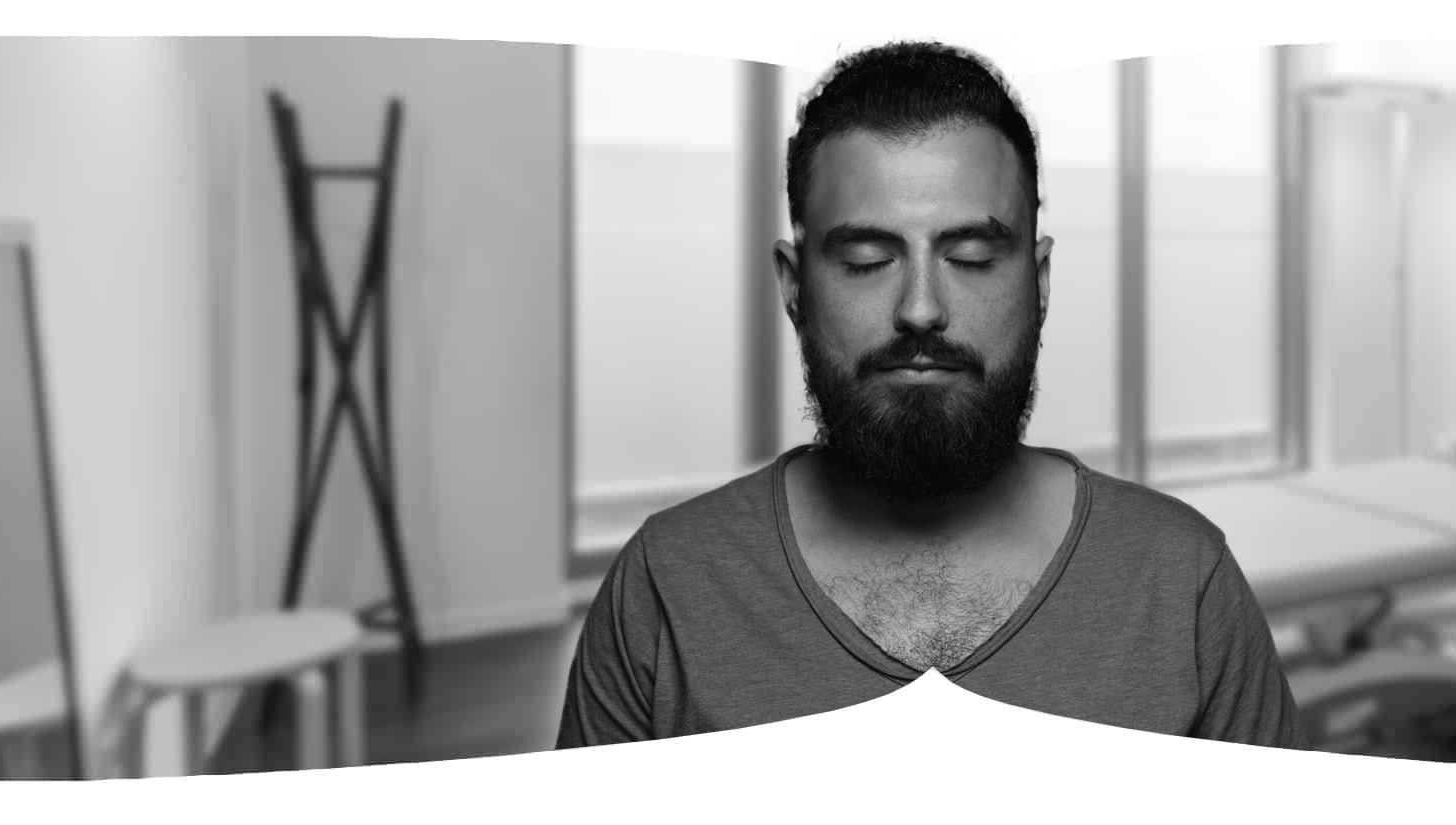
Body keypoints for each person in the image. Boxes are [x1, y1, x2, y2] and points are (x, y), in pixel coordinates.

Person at [556, 40, 1304, 749]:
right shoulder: (665, 586)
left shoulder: (1183, 581)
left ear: (1040, 283)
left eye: (971, 257)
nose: (920, 309)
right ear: (793, 286)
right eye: (866, 259)